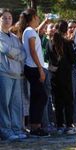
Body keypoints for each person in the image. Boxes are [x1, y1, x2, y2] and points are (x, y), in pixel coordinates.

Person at [19, 8, 49, 136]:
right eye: (37, 17)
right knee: (40, 97)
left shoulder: (29, 31)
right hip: (33, 68)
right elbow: (33, 51)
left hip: (33, 67)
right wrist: (40, 69)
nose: (38, 20)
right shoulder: (30, 31)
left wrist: (45, 21)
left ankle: (35, 125)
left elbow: (36, 31)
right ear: (32, 18)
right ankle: (35, 126)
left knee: (38, 97)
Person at [0, 8, 26, 140]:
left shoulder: (15, 38)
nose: (7, 20)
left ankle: (16, 129)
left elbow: (23, 54)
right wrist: (15, 52)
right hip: (4, 73)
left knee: (16, 104)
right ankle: (5, 131)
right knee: (4, 104)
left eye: (9, 18)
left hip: (17, 74)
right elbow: (5, 50)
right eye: (4, 17)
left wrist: (13, 52)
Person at [46, 20, 76, 134]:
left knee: (57, 101)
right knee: (68, 100)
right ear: (65, 30)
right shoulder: (67, 42)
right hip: (66, 75)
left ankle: (59, 125)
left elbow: (48, 57)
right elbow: (73, 59)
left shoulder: (50, 42)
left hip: (54, 74)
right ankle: (69, 125)